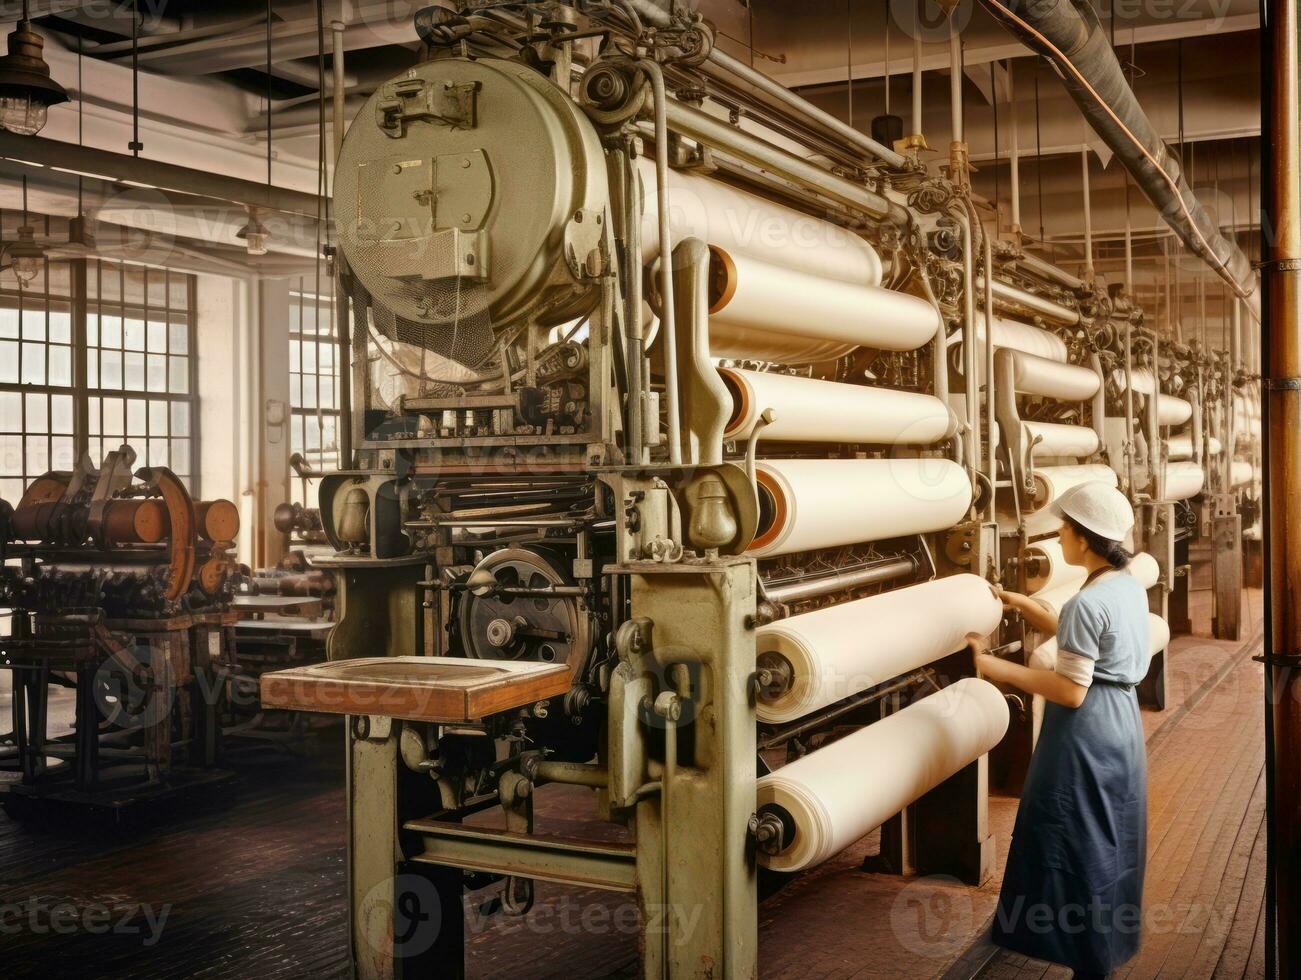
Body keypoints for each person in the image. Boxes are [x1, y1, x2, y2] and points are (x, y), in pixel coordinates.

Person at [967, 481, 1153, 980]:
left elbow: (1070, 689)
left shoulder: (1085, 603)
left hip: (1085, 732)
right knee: (1110, 838)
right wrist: (1025, 606)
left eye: (1065, 529)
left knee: (1075, 840)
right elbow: (1092, 644)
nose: (1060, 537)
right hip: (1121, 725)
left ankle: (1088, 965)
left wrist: (992, 666)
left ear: (1085, 539)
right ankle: (1102, 952)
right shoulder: (1124, 585)